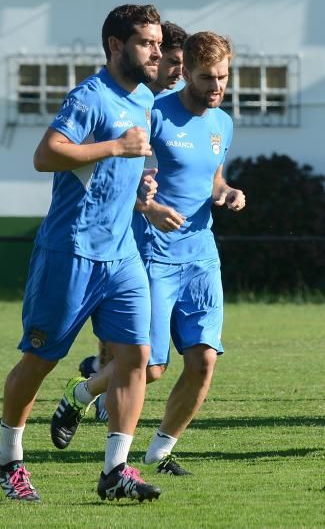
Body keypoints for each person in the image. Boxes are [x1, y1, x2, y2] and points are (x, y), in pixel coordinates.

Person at [50, 32, 243, 477]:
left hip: (201, 257)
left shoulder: (222, 123)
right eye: (207, 77)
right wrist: (148, 207)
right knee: (151, 367)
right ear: (185, 72)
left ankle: (160, 451)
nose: (216, 87)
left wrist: (227, 191)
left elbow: (213, 177)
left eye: (224, 77)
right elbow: (126, 176)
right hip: (153, 255)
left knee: (203, 360)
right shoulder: (154, 114)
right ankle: (80, 396)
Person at [1, 4, 164, 502]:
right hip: (71, 252)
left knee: (137, 358)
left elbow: (115, 167)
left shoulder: (143, 101)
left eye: (158, 42)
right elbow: (46, 154)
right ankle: (8, 460)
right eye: (146, 42)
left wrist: (140, 190)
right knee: (40, 359)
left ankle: (116, 472)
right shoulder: (89, 97)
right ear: (116, 46)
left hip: (122, 255)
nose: (156, 51)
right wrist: (116, 149)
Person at [82, 20, 191, 424]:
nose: (173, 68)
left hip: (161, 234)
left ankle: (96, 383)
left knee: (144, 352)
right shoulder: (128, 100)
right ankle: (96, 385)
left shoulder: (176, 104)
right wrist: (146, 207)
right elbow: (108, 174)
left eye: (180, 61)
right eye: (168, 59)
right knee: (129, 342)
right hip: (115, 229)